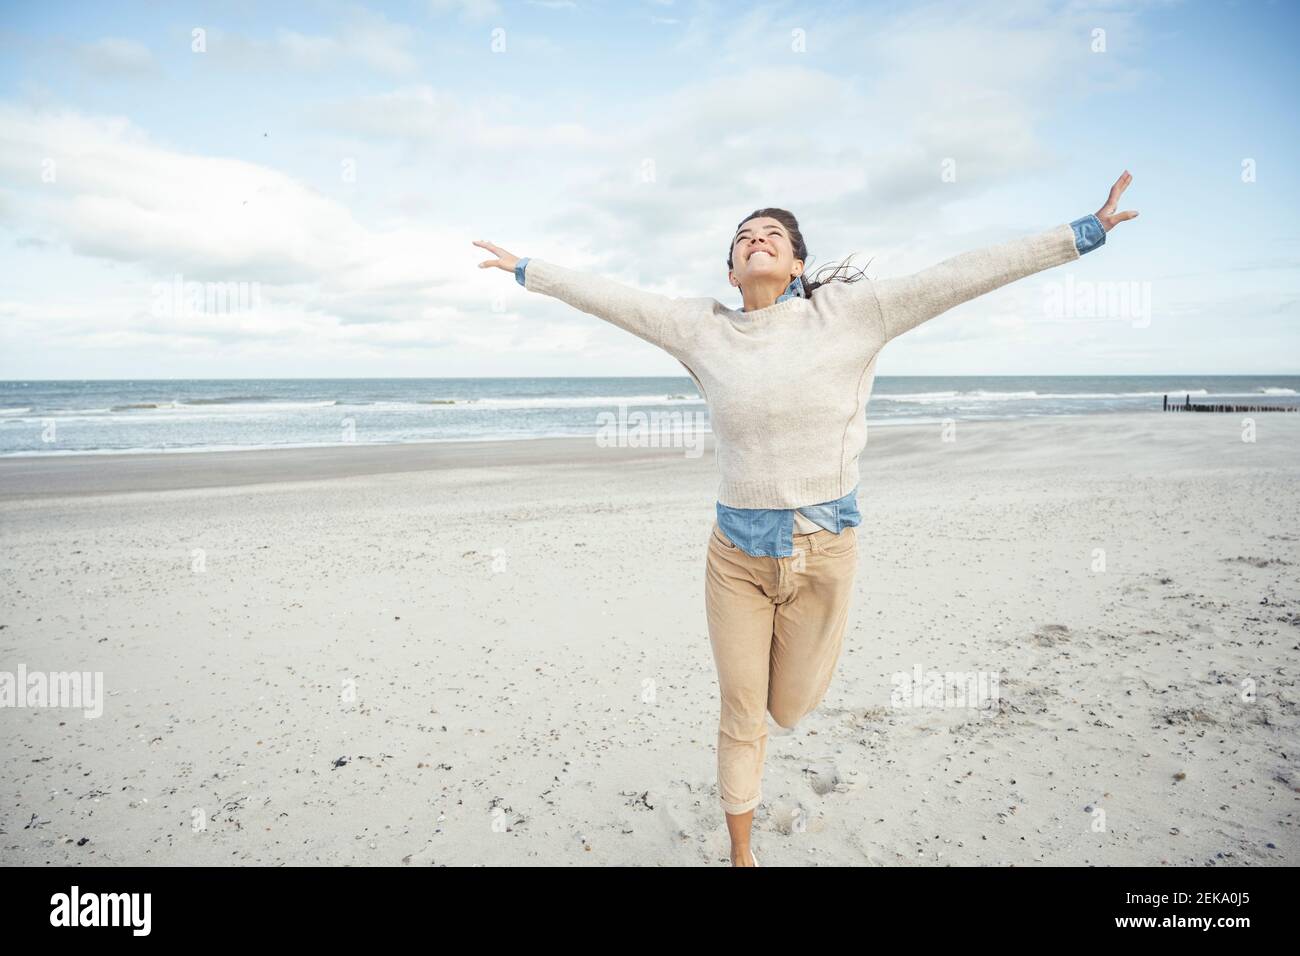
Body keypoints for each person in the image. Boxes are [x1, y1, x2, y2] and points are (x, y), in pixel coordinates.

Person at [474, 171, 1138, 867]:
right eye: (743, 238)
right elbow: (613, 300)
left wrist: (1084, 232)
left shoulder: (853, 314)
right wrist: (527, 270)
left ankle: (782, 708)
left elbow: (963, 275)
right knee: (740, 710)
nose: (756, 241)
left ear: (796, 263)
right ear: (732, 272)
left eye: (772, 236)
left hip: (826, 554)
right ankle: (741, 855)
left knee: (786, 709)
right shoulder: (701, 331)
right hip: (735, 555)